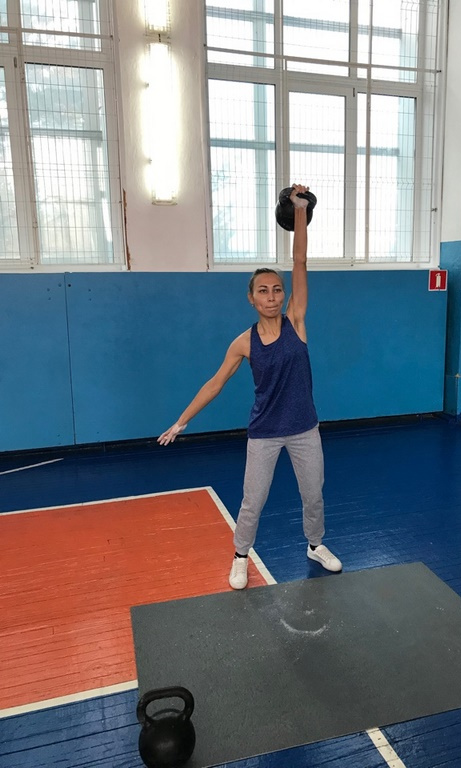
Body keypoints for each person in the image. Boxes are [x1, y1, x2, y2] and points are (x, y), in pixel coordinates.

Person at [158, 184, 342, 589]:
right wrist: (182, 421)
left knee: (313, 495)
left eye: (277, 290)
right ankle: (241, 556)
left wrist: (300, 210)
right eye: (263, 291)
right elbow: (215, 383)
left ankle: (315, 545)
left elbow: (300, 260)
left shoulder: (296, 321)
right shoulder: (244, 342)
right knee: (253, 500)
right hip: (264, 433)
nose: (272, 296)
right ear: (251, 299)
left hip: (305, 428)